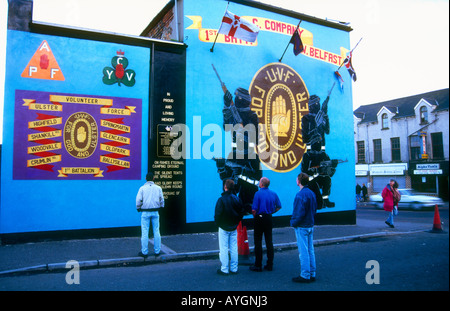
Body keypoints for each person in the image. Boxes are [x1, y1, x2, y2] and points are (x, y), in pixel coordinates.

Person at [214, 179, 247, 276]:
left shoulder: (221, 200)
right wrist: (236, 222)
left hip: (223, 227)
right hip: (234, 227)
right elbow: (241, 213)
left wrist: (219, 224)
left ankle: (224, 269)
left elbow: (217, 214)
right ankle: (234, 268)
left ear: (225, 187)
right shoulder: (237, 199)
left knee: (223, 248)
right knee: (234, 247)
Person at [249, 177, 282, 272]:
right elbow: (279, 206)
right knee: (269, 241)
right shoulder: (273, 193)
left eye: (259, 182)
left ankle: (258, 264)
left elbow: (254, 209)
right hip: (269, 218)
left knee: (258, 241)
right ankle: (270, 264)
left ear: (262, 184)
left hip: (259, 218)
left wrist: (256, 216)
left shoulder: (258, 193)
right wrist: (271, 212)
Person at [291, 173, 318, 283]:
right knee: (310, 250)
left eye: (297, 179)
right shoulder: (311, 193)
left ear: (299, 181)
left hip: (301, 226)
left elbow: (299, 212)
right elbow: (315, 208)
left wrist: (293, 222)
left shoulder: (300, 195)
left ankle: (305, 275)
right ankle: (312, 273)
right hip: (310, 224)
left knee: (303, 252)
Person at [136, 172, 165, 258]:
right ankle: (157, 251)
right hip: (155, 211)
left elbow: (138, 200)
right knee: (156, 231)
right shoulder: (158, 188)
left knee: (145, 231)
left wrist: (138, 208)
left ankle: (144, 252)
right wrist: (161, 206)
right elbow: (162, 200)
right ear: (153, 178)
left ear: (145, 178)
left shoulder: (142, 188)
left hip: (145, 212)